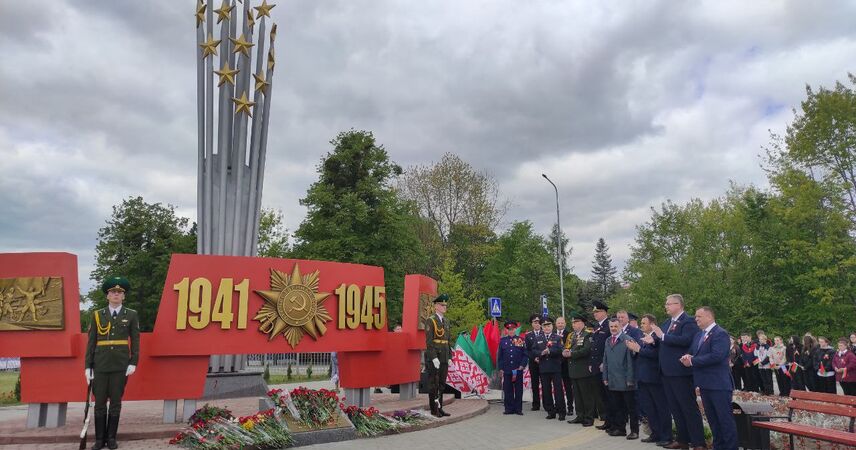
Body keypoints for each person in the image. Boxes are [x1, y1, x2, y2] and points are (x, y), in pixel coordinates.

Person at [84, 276, 140, 450]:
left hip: (120, 365)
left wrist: (133, 361)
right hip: (100, 365)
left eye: (119, 292)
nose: (116, 294)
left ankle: (112, 438)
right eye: (113, 292)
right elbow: (91, 342)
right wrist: (88, 366)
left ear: (124, 296)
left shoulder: (131, 314)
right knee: (99, 402)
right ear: (107, 295)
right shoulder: (97, 315)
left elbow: (136, 340)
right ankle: (100, 440)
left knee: (115, 402)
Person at [646, 294, 705, 450]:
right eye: (666, 304)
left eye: (668, 304)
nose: (666, 306)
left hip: (681, 372)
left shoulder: (688, 321)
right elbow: (661, 342)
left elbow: (686, 340)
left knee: (688, 408)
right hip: (666, 372)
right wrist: (653, 341)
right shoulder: (666, 323)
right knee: (675, 408)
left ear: (678, 304)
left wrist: (662, 336)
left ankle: (699, 442)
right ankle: (683, 440)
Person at [680, 306, 738, 450]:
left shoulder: (720, 333)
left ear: (709, 317)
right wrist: (688, 356)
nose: (696, 319)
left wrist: (693, 361)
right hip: (705, 384)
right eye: (695, 316)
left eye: (699, 316)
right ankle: (718, 447)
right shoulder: (699, 335)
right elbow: (694, 352)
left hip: (719, 385)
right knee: (713, 420)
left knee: (725, 420)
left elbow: (717, 356)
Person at [626, 314, 673, 446]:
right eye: (641, 323)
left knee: (661, 408)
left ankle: (666, 436)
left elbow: (657, 355)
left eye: (644, 323)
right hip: (642, 377)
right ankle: (655, 433)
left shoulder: (657, 337)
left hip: (655, 378)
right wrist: (634, 350)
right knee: (649, 408)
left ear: (652, 324)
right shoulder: (643, 337)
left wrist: (639, 349)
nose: (641, 325)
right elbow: (639, 355)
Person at [602, 318, 638, 439]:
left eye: (615, 326)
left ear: (621, 326)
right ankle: (620, 429)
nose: (613, 329)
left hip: (625, 380)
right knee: (617, 406)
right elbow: (605, 360)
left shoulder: (627, 340)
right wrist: (605, 376)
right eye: (611, 326)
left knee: (631, 408)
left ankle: (634, 431)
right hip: (613, 379)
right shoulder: (608, 340)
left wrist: (630, 379)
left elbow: (631, 362)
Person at [563, 313, 598, 427]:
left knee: (586, 395)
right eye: (573, 322)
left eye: (576, 322)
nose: (574, 324)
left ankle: (589, 417)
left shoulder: (588, 334)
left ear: (582, 323)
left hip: (583, 369)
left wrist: (571, 354)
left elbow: (586, 350)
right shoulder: (572, 335)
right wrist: (565, 352)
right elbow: (567, 347)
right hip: (573, 369)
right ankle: (580, 415)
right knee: (577, 395)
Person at [424, 293, 453, 417]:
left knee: (441, 384)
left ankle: (440, 407)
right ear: (436, 306)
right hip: (435, 357)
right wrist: (434, 357)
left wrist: (450, 356)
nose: (444, 307)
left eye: (445, 305)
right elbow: (429, 342)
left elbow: (448, 340)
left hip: (444, 356)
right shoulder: (431, 321)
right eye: (442, 305)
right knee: (434, 384)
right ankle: (434, 409)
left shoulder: (446, 321)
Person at [536, 317, 566, 420]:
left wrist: (550, 351)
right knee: (546, 391)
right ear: (542, 327)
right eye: (544, 326)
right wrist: (540, 354)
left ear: (552, 326)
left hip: (555, 368)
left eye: (548, 326)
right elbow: (533, 351)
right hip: (543, 368)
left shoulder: (557, 338)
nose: (547, 328)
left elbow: (561, 350)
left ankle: (561, 412)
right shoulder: (538, 338)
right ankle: (550, 411)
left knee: (558, 391)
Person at [589, 301, 612, 431]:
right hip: (596, 365)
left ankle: (612, 421)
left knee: (608, 395)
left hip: (605, 366)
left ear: (604, 312)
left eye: (597, 312)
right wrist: (592, 364)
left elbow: (608, 347)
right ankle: (607, 421)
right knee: (602, 396)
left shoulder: (609, 326)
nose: (595, 314)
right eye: (594, 312)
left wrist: (605, 362)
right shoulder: (598, 326)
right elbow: (594, 347)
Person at [497, 320, 528, 415]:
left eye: (513, 329)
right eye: (509, 329)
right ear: (507, 330)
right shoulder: (503, 341)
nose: (511, 331)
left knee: (518, 390)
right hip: (507, 369)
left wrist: (522, 365)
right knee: (508, 389)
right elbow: (500, 356)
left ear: (515, 329)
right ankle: (509, 409)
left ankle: (518, 409)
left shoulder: (520, 340)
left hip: (517, 369)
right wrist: (501, 368)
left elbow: (525, 354)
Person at [554, 316, 574, 417]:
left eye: (562, 323)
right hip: (555, 365)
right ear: (556, 324)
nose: (560, 325)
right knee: (557, 388)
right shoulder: (552, 335)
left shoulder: (570, 334)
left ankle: (570, 407)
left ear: (565, 324)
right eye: (559, 323)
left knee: (568, 388)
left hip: (566, 365)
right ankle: (558, 406)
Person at [524, 314, 544, 411]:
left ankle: (547, 403)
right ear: (532, 324)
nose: (537, 324)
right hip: (533, 362)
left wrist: (540, 357)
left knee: (545, 383)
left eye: (538, 322)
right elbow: (527, 350)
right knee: (535, 384)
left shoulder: (545, 333)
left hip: (544, 362)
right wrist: (534, 357)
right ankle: (536, 404)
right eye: (535, 322)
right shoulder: (528, 336)